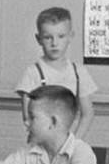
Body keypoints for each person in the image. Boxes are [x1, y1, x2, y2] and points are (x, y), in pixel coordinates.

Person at [0, 84, 96, 164]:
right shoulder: (27, 151)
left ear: (53, 122)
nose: (26, 122)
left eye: (32, 117)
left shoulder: (81, 149)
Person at [15, 7, 97, 138]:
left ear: (70, 36)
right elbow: (28, 118)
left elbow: (88, 113)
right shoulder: (33, 73)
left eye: (61, 36)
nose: (55, 43)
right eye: (48, 37)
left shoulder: (79, 72)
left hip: (71, 142)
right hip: (41, 142)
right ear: (39, 39)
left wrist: (73, 143)